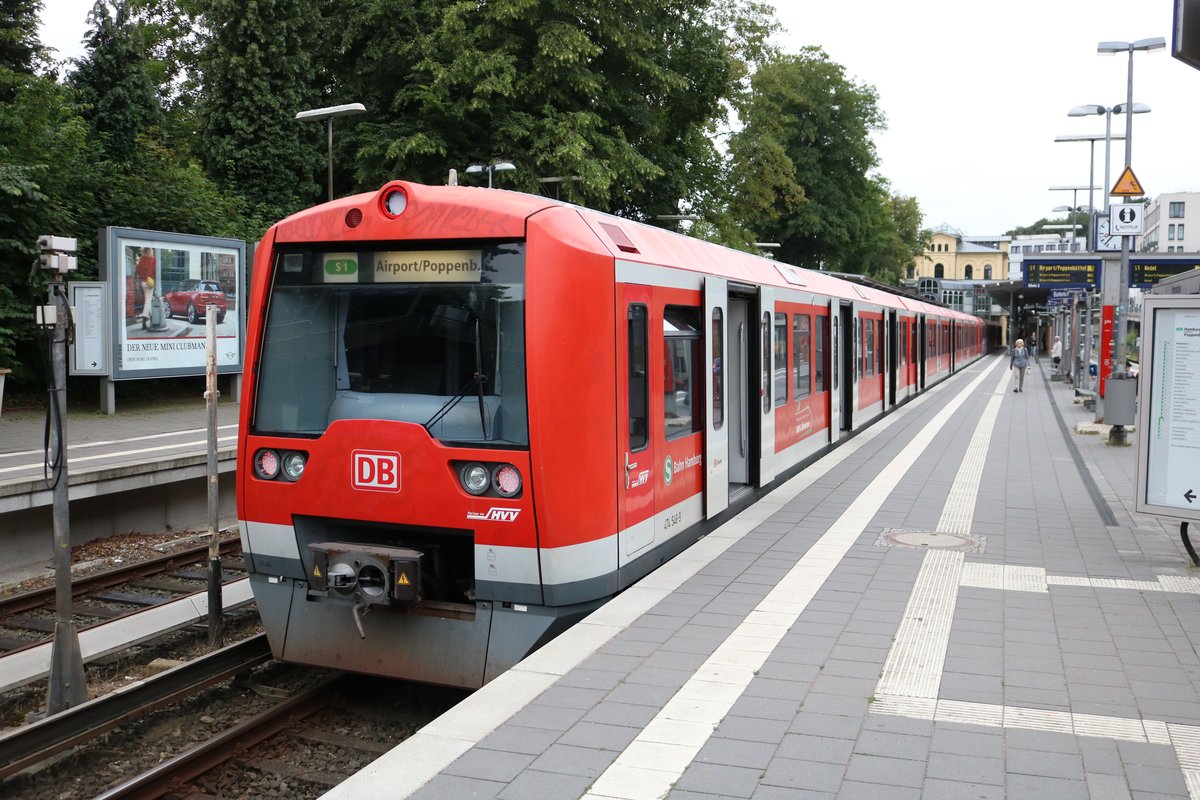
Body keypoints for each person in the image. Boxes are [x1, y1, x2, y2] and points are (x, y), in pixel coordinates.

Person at [136, 247, 156, 321]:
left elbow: (137, 270)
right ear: (151, 251)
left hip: (143, 282)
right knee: (148, 299)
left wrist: (138, 281)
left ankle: (151, 315)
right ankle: (145, 315)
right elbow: (155, 270)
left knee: (147, 298)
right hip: (150, 281)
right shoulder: (153, 259)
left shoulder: (141, 259)